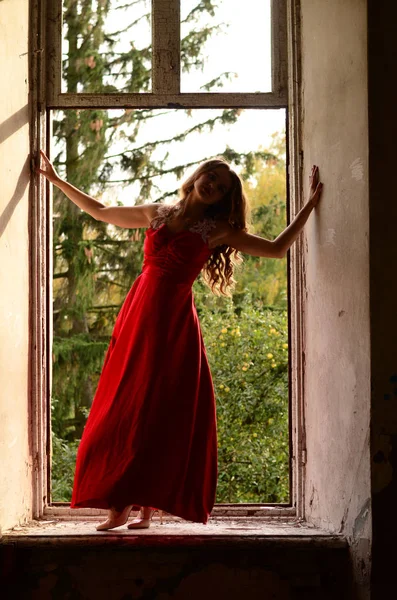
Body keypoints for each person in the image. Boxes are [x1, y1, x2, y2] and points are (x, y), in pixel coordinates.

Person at [38, 150, 323, 531]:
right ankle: (123, 501)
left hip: (173, 324)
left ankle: (142, 506)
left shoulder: (217, 230)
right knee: (124, 402)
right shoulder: (158, 212)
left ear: (223, 198)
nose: (213, 185)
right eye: (212, 176)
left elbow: (275, 248)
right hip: (139, 315)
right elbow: (103, 210)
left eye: (222, 187)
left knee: (160, 407)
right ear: (198, 173)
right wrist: (57, 182)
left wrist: (309, 206)